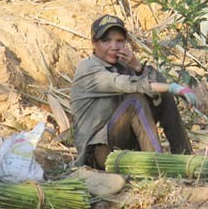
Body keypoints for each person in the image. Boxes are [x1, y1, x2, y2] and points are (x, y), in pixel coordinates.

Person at [70, 14, 196, 169]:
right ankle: (159, 167)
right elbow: (126, 84)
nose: (114, 47)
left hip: (125, 145)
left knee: (165, 97)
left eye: (119, 41)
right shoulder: (88, 69)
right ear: (94, 43)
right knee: (135, 101)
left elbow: (159, 86)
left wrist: (138, 66)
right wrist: (174, 87)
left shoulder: (124, 65)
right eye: (106, 40)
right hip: (99, 153)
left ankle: (186, 159)